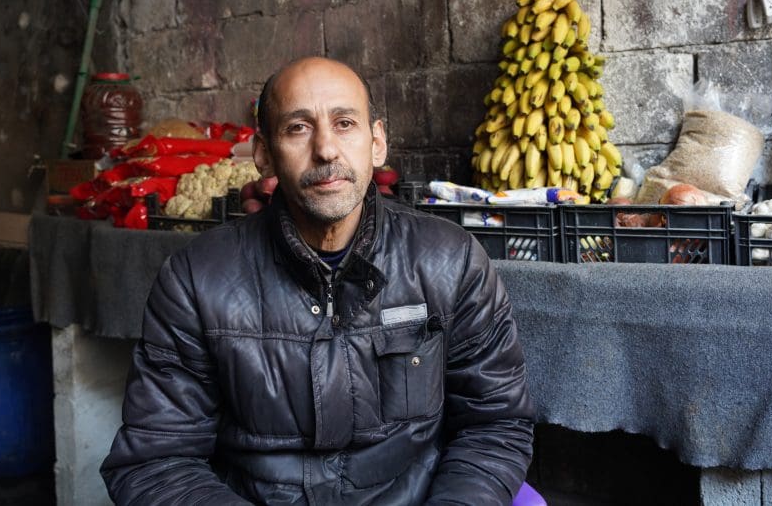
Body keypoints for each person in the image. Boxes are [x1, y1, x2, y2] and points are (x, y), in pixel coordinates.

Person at [101, 56, 535, 504]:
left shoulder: (451, 261)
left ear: (377, 142)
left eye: (345, 123)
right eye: (298, 128)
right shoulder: (196, 280)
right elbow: (156, 461)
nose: (326, 149)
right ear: (263, 154)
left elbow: (494, 425)